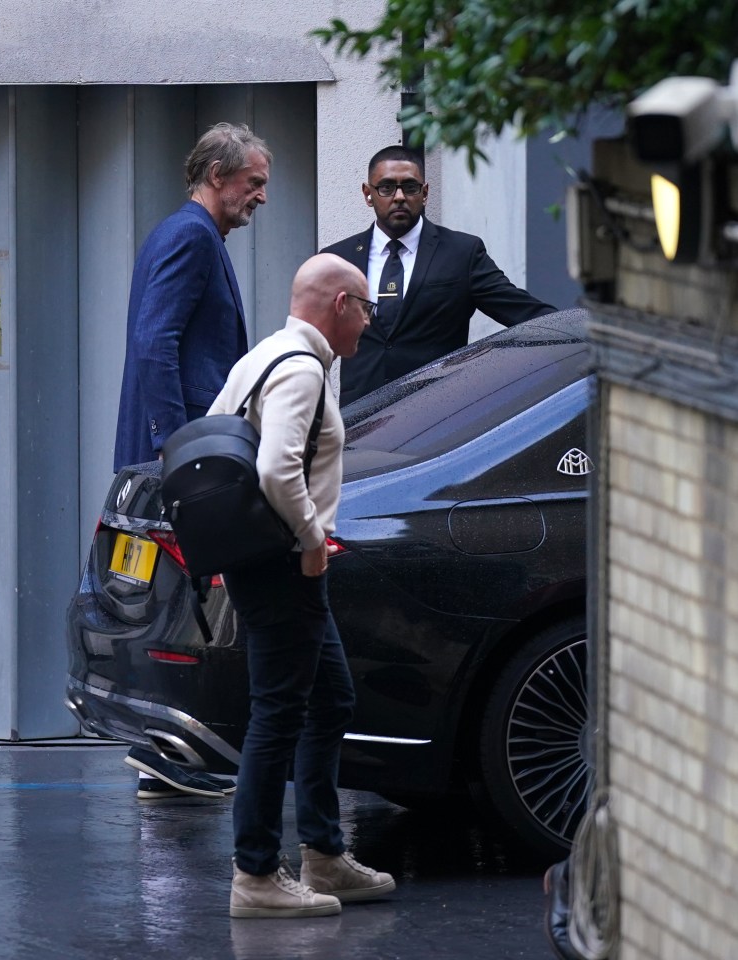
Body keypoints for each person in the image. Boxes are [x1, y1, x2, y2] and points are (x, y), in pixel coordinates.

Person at [210, 253, 395, 918]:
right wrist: (313, 540)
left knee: (330, 700)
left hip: (267, 566)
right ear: (340, 304)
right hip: (286, 567)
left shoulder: (264, 356)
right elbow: (275, 468)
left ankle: (322, 855)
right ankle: (255, 876)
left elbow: (220, 430)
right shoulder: (302, 370)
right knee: (278, 713)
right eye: (365, 308)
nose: (368, 323)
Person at [113, 121, 272, 800]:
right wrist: (176, 450)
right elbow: (157, 342)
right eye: (253, 182)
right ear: (217, 176)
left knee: (175, 605)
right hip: (180, 457)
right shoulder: (189, 235)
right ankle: (170, 753)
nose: (260, 196)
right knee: (180, 609)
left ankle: (171, 753)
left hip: (174, 451)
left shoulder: (190, 233)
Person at [322, 144, 557, 406]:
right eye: (387, 187)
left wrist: (581, 332)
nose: (399, 196)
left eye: (410, 187)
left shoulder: (461, 253)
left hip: (437, 417)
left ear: (424, 193)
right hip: (359, 419)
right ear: (368, 193)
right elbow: (315, 342)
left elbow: (524, 313)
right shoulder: (337, 259)